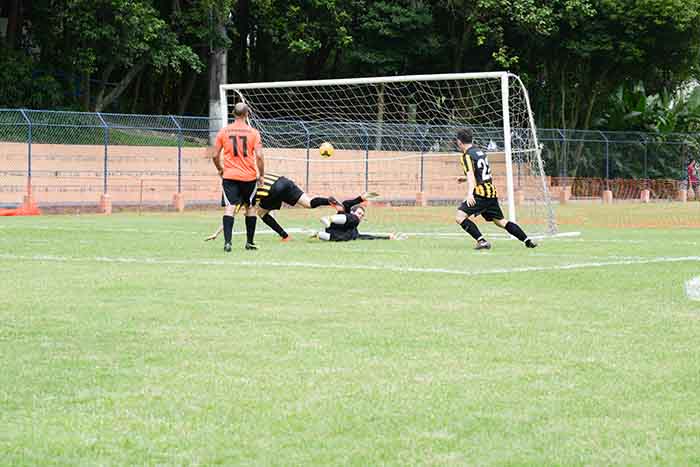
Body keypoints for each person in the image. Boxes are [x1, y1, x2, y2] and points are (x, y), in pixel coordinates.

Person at [454, 128, 537, 250]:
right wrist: (465, 178)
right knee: (501, 221)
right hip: (491, 193)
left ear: (459, 142)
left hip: (480, 194)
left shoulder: (466, 156)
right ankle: (527, 240)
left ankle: (481, 241)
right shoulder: (480, 152)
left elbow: (472, 176)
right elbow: (482, 174)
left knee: (460, 217)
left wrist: (470, 194)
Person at [205, 174, 346, 242]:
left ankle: (285, 236)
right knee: (308, 203)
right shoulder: (250, 174)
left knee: (261, 213)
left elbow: (231, 215)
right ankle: (329, 201)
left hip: (273, 190)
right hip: (283, 181)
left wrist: (216, 233)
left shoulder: (240, 192)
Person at [211, 102, 264, 252]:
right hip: (249, 177)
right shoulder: (254, 133)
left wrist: (220, 169)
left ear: (233, 114)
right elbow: (260, 156)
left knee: (230, 207)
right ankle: (249, 242)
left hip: (230, 176)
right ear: (247, 114)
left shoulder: (223, 132)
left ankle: (228, 243)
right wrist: (261, 175)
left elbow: (214, 154)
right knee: (250, 207)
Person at [312, 200, 406, 242]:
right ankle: (328, 218)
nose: (360, 216)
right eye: (359, 213)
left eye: (362, 215)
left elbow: (367, 237)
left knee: (349, 237)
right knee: (354, 219)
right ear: (352, 212)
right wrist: (360, 199)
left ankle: (317, 234)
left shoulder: (354, 231)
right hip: (334, 222)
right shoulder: (349, 215)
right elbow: (347, 203)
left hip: (332, 232)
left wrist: (387, 237)